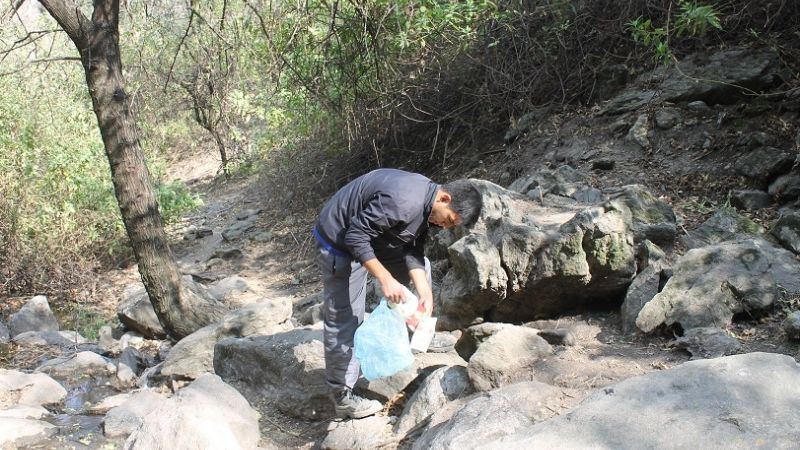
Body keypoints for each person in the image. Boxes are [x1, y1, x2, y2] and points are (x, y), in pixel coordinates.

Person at [313, 168, 482, 419]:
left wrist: (425, 291)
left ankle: (415, 335)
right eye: (449, 220)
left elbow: (413, 247)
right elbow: (355, 237)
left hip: (375, 237)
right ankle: (342, 396)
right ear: (445, 198)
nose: (445, 227)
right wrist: (385, 278)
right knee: (346, 318)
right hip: (340, 241)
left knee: (422, 270)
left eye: (451, 226)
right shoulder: (404, 200)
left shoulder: (428, 202)